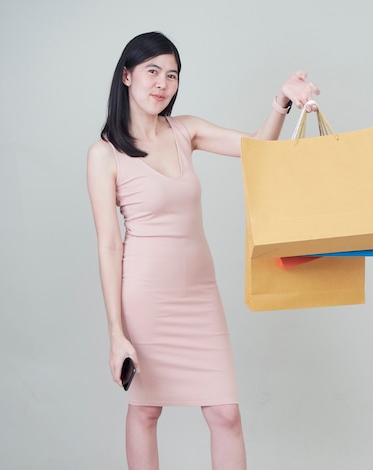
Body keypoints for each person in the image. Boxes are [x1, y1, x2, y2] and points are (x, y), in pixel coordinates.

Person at [86, 31, 319, 470]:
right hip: (145, 297)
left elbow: (258, 149)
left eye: (171, 75)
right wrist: (116, 333)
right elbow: (108, 244)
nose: (162, 83)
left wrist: (280, 102)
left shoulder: (185, 130)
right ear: (126, 76)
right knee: (146, 410)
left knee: (225, 414)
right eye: (152, 71)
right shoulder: (104, 154)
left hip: (198, 293)